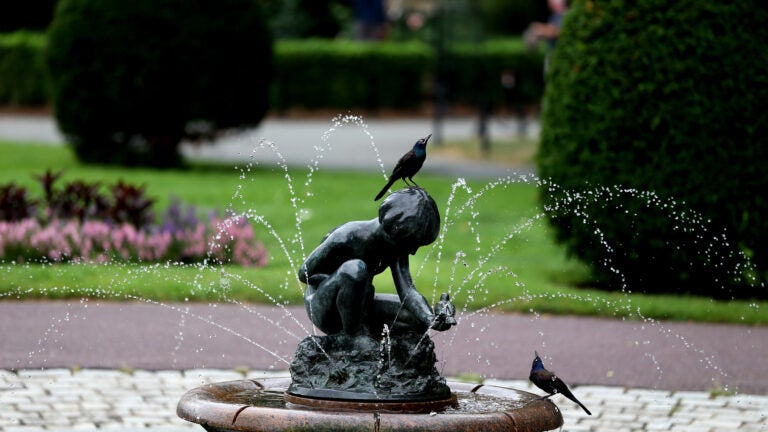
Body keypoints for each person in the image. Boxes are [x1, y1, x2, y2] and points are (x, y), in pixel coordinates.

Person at [298, 188, 456, 337]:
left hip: (360, 307)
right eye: (411, 244)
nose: (413, 251)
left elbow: (408, 292)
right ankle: (353, 338)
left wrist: (430, 318)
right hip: (325, 310)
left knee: (416, 320)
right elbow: (304, 273)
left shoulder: (395, 246)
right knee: (354, 269)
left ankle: (376, 343)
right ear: (394, 230)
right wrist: (345, 281)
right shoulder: (347, 236)